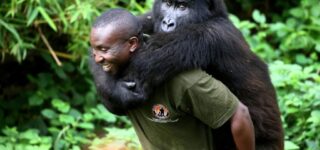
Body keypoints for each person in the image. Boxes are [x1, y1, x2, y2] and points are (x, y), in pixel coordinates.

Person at [89, 8, 255, 150]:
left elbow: (240, 114)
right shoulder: (114, 71)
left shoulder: (185, 81)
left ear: (132, 44)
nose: (97, 58)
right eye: (95, 50)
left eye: (104, 50)